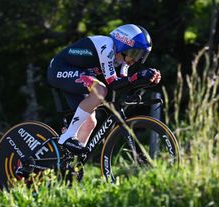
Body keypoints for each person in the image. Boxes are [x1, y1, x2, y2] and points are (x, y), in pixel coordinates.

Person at [47, 24, 161, 155]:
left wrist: (147, 81)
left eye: (141, 55)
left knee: (89, 123)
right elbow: (113, 84)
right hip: (59, 69)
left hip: (78, 73)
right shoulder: (106, 47)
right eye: (134, 53)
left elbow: (123, 85)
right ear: (123, 44)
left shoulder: (122, 61)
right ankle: (68, 136)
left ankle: (70, 163)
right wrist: (138, 76)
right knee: (100, 90)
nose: (136, 59)